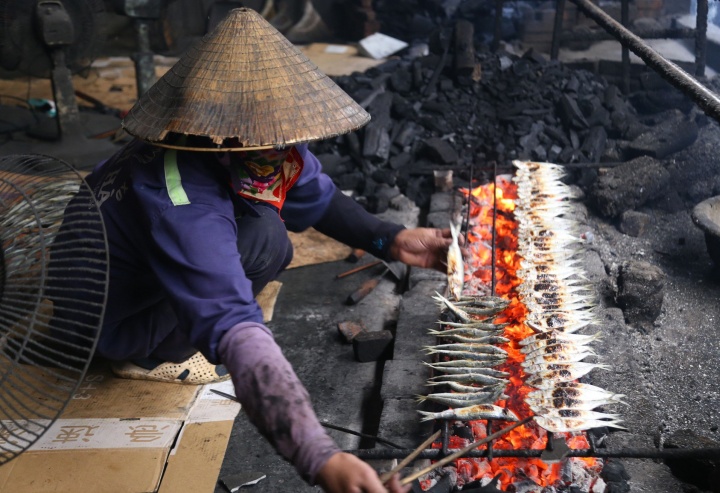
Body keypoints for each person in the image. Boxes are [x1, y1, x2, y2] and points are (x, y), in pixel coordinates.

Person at [51, 8, 453, 493]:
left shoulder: (255, 145)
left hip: (138, 267)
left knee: (263, 227)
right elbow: (234, 324)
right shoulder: (182, 203)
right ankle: (152, 354)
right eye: (271, 147)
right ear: (223, 136)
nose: (287, 156)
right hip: (106, 317)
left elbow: (316, 195)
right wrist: (319, 455)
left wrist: (389, 238)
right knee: (265, 242)